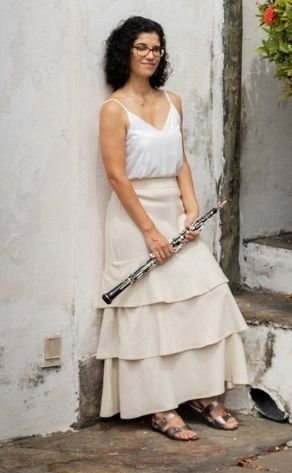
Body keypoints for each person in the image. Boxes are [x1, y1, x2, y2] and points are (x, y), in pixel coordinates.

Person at [96, 16, 249, 441]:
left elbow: (181, 160)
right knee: (149, 314)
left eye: (156, 48)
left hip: (173, 209)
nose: (150, 55)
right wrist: (150, 231)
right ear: (125, 52)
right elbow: (116, 176)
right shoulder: (114, 109)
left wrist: (191, 208)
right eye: (142, 47)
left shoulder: (173, 100)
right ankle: (159, 407)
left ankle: (200, 395)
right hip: (134, 216)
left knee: (205, 297)